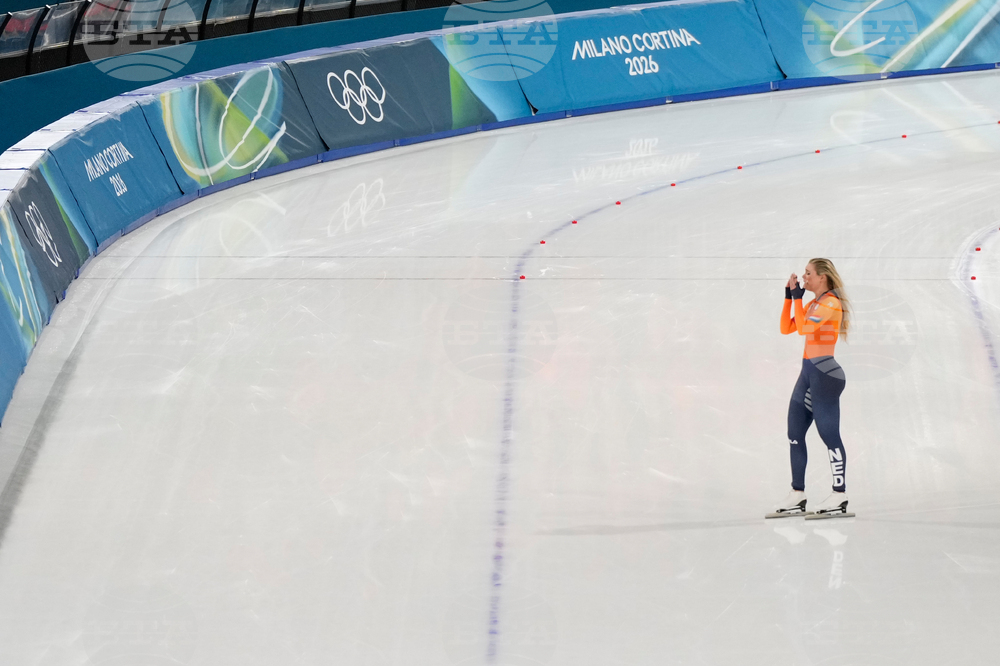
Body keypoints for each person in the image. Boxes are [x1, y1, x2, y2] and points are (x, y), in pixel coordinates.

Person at [771, 258, 852, 518]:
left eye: (808, 274)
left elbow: (805, 327)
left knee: (829, 436)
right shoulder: (814, 303)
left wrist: (797, 299)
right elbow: (787, 328)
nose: (804, 278)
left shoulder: (830, 303)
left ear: (822, 278)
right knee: (794, 432)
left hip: (825, 376)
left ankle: (839, 495)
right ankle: (798, 493)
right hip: (808, 374)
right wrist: (788, 297)